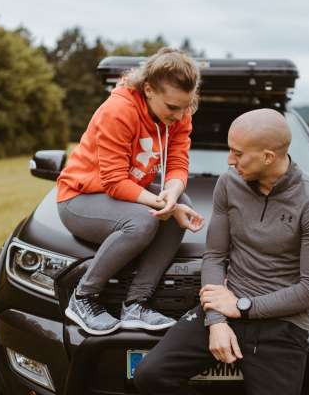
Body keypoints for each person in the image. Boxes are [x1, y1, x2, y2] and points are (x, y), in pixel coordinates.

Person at [134, 108, 309, 395]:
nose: (230, 161)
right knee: (150, 376)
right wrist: (217, 320)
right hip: (225, 307)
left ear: (268, 157)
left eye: (238, 153)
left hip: (282, 323)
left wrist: (242, 308)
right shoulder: (229, 183)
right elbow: (215, 256)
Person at [56, 48, 204, 336]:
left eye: (185, 107)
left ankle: (136, 304)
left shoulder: (181, 113)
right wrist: (166, 206)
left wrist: (172, 195)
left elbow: (177, 162)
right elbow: (113, 180)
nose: (180, 115)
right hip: (79, 196)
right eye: (172, 107)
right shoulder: (119, 110)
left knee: (180, 202)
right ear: (148, 89)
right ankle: (83, 297)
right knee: (143, 221)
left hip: (123, 191)